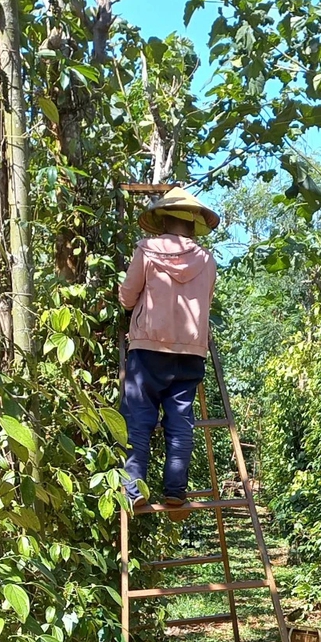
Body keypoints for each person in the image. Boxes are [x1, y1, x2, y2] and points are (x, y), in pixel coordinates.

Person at [118, 186, 220, 511]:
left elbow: (126, 296)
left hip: (149, 347)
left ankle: (134, 491)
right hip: (191, 351)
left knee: (138, 418)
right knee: (180, 420)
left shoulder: (146, 250)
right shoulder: (207, 260)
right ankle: (175, 491)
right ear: (192, 225)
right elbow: (207, 302)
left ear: (163, 220)